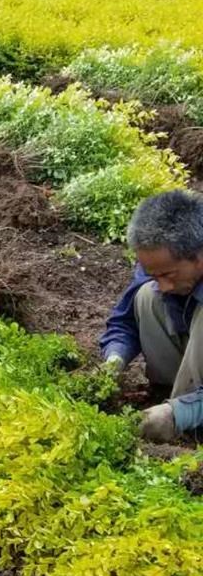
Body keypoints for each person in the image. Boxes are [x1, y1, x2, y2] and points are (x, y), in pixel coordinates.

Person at [100, 189, 203, 442]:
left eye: (168, 275)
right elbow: (124, 320)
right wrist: (115, 359)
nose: (164, 285)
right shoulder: (161, 264)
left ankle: (189, 422)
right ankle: (166, 394)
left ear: (199, 257)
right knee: (147, 294)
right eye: (154, 274)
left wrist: (180, 414)